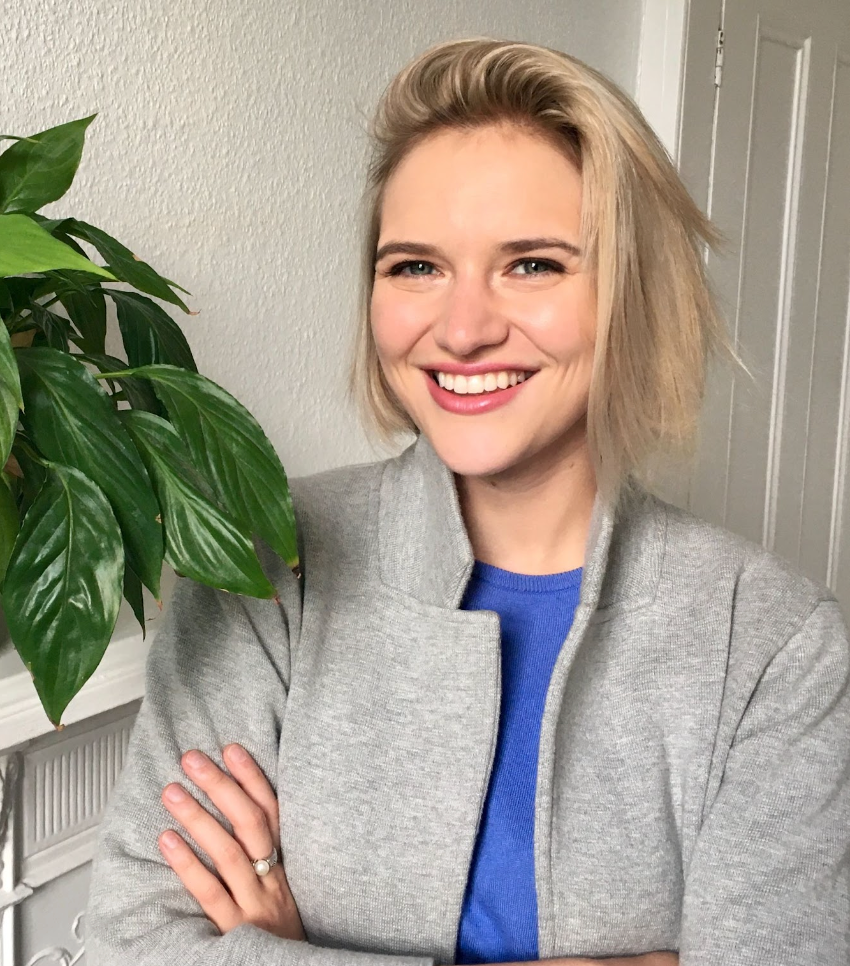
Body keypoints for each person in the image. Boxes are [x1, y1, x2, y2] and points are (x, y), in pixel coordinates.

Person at [85, 37, 850, 966]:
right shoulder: (266, 561)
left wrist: (283, 952)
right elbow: (130, 947)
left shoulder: (775, 643)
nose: (462, 328)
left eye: (533, 264)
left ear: (633, 292)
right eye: (416, 266)